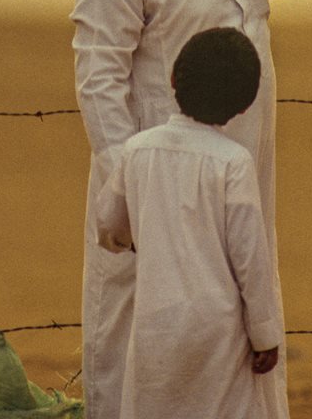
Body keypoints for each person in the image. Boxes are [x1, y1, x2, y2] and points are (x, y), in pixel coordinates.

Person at [71, 0, 312, 419]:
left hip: (241, 175)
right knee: (146, 335)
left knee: (242, 311)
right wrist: (126, 190)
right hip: (158, 190)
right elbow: (98, 81)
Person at [96, 27, 279, 419]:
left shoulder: (137, 150)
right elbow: (251, 260)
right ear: (245, 106)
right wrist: (265, 333)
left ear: (174, 78)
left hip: (155, 323)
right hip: (220, 330)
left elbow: (109, 223)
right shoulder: (233, 162)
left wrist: (127, 239)